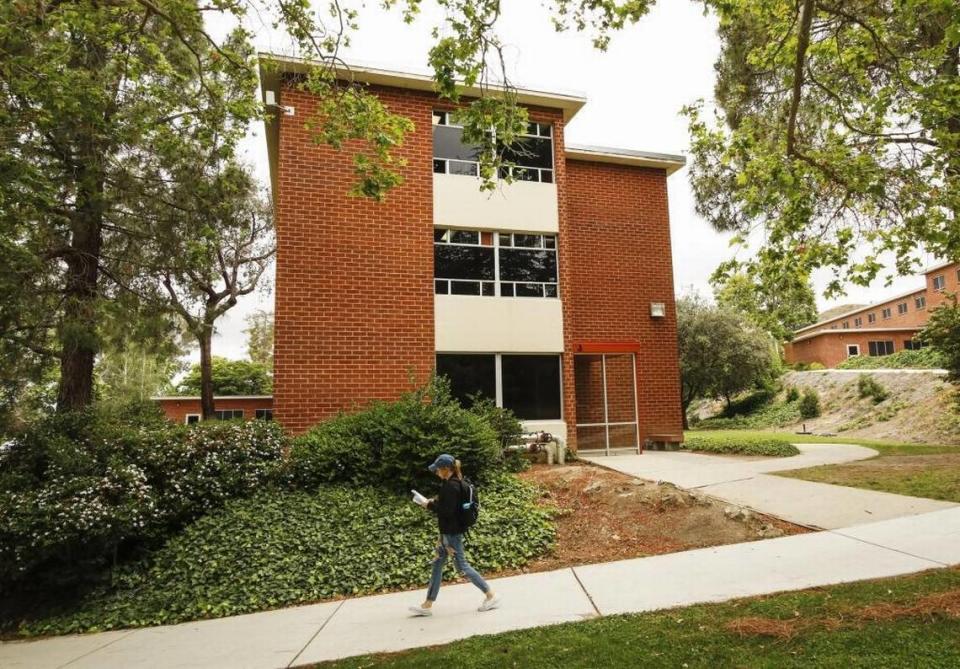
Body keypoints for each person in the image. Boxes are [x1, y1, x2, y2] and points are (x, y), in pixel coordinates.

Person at [408, 453, 500, 617]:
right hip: (448, 532)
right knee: (437, 565)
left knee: (462, 567)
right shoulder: (453, 483)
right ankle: (427, 605)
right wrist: (433, 503)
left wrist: (427, 505)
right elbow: (448, 506)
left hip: (452, 534)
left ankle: (491, 595)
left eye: (437, 469)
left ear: (445, 469)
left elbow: (447, 511)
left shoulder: (451, 486)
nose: (436, 472)